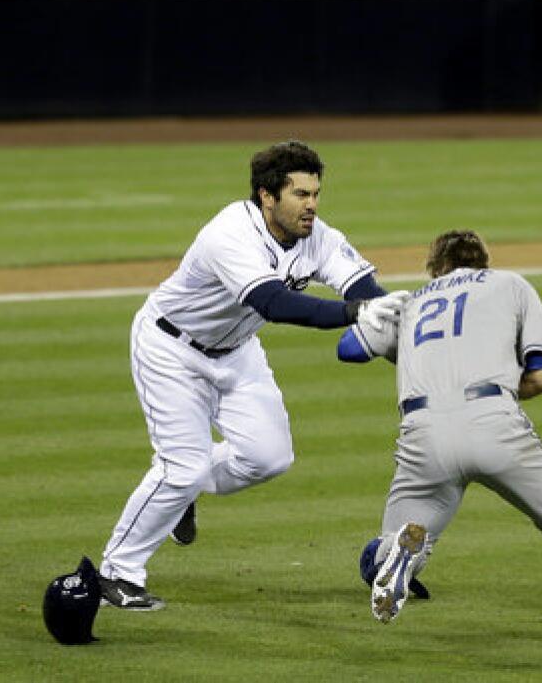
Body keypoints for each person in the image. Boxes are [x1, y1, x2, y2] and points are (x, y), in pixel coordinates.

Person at [95, 140, 409, 611]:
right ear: (267, 196)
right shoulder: (230, 233)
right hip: (170, 348)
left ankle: (182, 494)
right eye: (300, 194)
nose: (312, 205)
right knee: (182, 466)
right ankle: (117, 574)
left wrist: (398, 331)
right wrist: (357, 312)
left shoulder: (317, 235)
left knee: (269, 457)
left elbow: (365, 290)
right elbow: (274, 303)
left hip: (237, 350)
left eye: (316, 193)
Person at [339, 230, 542, 658]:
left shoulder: (412, 301)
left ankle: (395, 553)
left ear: (434, 268)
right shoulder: (511, 284)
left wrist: (374, 317)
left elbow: (348, 350)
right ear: (485, 261)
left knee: (405, 536)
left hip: (422, 434)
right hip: (492, 419)